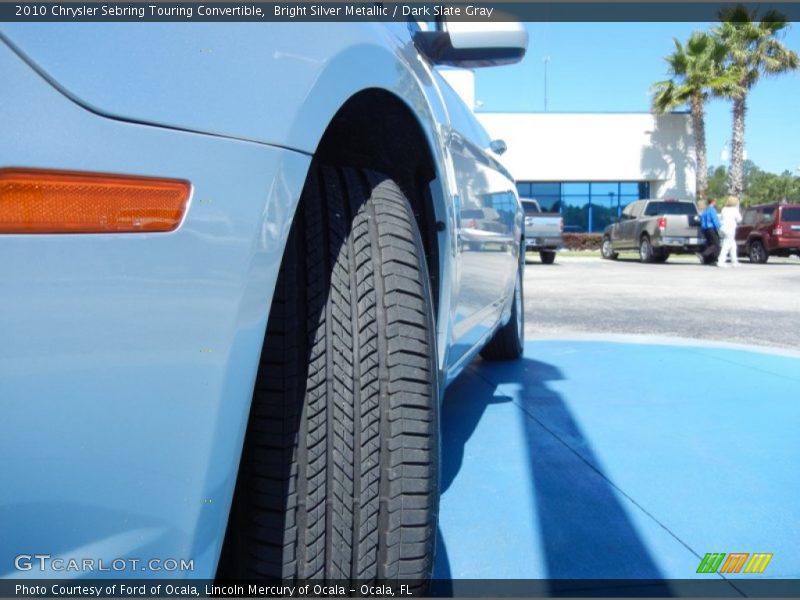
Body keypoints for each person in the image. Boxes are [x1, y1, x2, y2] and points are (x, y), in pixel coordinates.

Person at [718, 195, 742, 267]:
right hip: (730, 229)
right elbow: (739, 219)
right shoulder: (734, 210)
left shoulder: (724, 209)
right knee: (726, 245)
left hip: (722, 229)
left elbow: (722, 217)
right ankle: (721, 262)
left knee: (733, 246)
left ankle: (734, 261)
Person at [699, 197, 722, 265]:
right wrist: (718, 227)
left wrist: (703, 229)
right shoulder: (712, 210)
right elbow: (714, 219)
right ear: (712, 202)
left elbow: (702, 220)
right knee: (716, 245)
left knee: (709, 244)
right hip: (711, 229)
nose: (715, 203)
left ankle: (709, 260)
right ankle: (703, 254)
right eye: (715, 202)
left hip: (705, 229)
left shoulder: (705, 210)